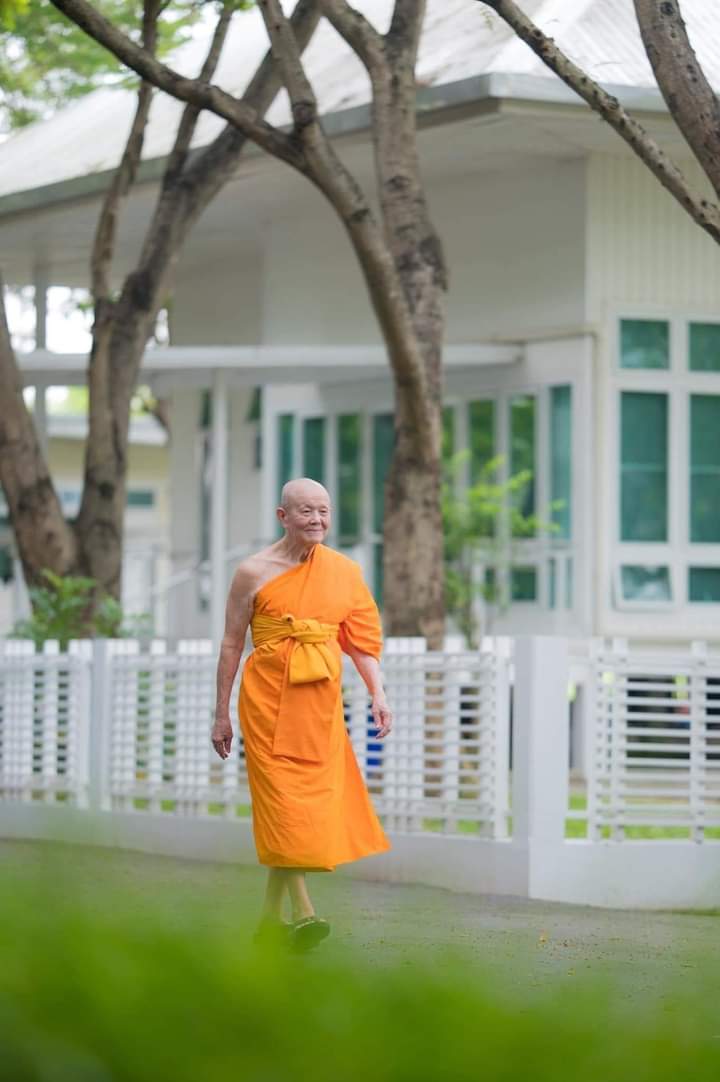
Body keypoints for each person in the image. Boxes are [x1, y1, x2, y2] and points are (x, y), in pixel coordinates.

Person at [211, 477, 393, 952]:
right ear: (283, 516)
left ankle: (268, 924)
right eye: (307, 511)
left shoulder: (344, 572)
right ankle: (306, 912)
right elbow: (231, 644)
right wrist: (221, 713)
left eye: (324, 511)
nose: (317, 520)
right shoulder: (252, 572)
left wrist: (378, 693)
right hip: (267, 703)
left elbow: (362, 642)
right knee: (283, 804)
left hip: (319, 706)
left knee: (302, 808)